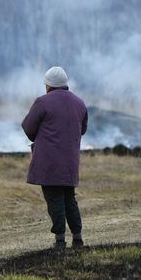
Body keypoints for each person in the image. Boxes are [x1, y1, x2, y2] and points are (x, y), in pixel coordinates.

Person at [21, 66, 88, 248]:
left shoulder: (42, 103)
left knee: (55, 199)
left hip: (48, 162)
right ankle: (78, 237)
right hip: (70, 161)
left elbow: (28, 128)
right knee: (69, 198)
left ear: (48, 85)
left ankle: (59, 240)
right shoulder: (80, 103)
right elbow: (82, 130)